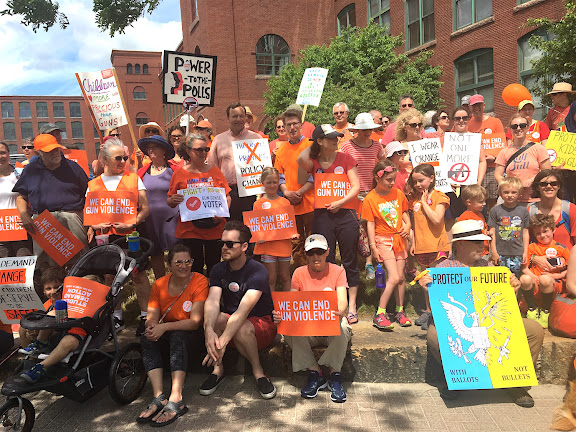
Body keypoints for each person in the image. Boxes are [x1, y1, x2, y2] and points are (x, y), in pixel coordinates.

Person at [420, 219, 544, 407]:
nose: (482, 246)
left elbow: (504, 305)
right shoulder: (441, 269)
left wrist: (513, 289)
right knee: (434, 336)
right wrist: (426, 291)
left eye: (483, 242)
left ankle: (515, 382)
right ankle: (457, 377)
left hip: (487, 324)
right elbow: (433, 310)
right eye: (477, 242)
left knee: (534, 329)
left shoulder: (488, 267)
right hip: (463, 325)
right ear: (460, 244)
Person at [201, 221, 277, 399]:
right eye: (222, 243)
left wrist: (222, 343)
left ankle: (258, 372)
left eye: (229, 244)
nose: (224, 248)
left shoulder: (258, 271)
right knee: (217, 318)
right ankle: (218, 370)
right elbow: (212, 301)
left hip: (261, 325)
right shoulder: (218, 269)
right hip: (234, 324)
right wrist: (208, 331)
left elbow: (243, 310)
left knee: (241, 325)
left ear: (244, 246)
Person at [273, 234, 351, 403]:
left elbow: (343, 300)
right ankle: (315, 371)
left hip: (330, 325)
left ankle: (335, 373)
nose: (316, 256)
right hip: (309, 328)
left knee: (344, 327)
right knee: (286, 328)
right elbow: (292, 303)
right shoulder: (299, 273)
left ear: (328, 252)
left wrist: (340, 310)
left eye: (320, 251)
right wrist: (281, 314)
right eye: (311, 253)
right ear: (306, 254)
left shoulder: (338, 271)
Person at [137, 244, 208, 426]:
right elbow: (151, 316)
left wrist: (164, 327)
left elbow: (194, 322)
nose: (184, 266)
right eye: (178, 262)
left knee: (178, 335)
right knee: (146, 337)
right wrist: (152, 327)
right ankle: (159, 396)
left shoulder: (199, 281)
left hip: (193, 336)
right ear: (169, 265)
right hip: (170, 331)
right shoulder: (160, 284)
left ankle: (176, 397)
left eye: (188, 261)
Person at [297, 125, 361, 324]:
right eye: (331, 137)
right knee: (328, 257)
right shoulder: (314, 161)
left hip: (346, 213)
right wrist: (312, 145)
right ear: (320, 141)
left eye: (337, 137)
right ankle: (333, 303)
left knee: (350, 260)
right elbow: (300, 164)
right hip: (323, 215)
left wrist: (340, 202)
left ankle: (351, 306)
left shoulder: (346, 158)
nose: (336, 140)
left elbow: (356, 186)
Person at [86, 138, 151, 333]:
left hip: (130, 235)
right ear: (104, 160)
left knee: (138, 275)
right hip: (105, 237)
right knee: (110, 277)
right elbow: (88, 215)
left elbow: (145, 208)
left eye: (125, 157)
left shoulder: (133, 178)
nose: (123, 161)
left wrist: (133, 222)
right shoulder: (93, 184)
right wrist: (96, 224)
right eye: (118, 158)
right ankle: (116, 318)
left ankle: (146, 317)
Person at [13, 134, 89, 279]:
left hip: (72, 219)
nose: (55, 153)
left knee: (79, 262)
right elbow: (21, 197)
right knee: (46, 266)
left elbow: (89, 196)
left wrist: (90, 224)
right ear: (39, 153)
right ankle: (51, 297)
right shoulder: (31, 170)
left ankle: (76, 295)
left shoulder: (74, 168)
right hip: (43, 222)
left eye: (56, 149)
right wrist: (24, 215)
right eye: (49, 151)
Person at [19, 275, 104, 383]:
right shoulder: (70, 299)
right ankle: (41, 342)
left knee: (68, 341)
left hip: (80, 334)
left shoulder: (98, 303)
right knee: (51, 313)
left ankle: (41, 367)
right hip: (61, 328)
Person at [168, 133, 231, 276]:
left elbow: (227, 196)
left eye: (206, 149)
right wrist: (174, 200)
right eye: (199, 150)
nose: (203, 153)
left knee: (214, 264)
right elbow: (170, 201)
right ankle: (197, 294)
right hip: (189, 230)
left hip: (214, 228)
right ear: (189, 150)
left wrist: (222, 213)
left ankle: (213, 294)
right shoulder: (179, 174)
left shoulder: (215, 171)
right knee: (194, 266)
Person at [362, 160, 411, 330]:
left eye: (393, 179)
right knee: (394, 277)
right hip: (383, 240)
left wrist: (408, 225)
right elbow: (370, 224)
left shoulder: (398, 194)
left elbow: (404, 213)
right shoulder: (370, 199)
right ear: (377, 177)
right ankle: (380, 313)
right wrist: (373, 246)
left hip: (399, 239)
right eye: (388, 180)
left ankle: (399, 310)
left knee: (401, 278)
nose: (391, 183)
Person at [340, 113, 385, 280]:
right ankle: (350, 261)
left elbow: (383, 165)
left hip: (372, 193)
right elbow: (340, 166)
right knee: (353, 228)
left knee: (369, 227)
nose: (367, 132)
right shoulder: (346, 147)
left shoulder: (377, 147)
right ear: (356, 130)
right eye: (363, 129)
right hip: (353, 193)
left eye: (370, 129)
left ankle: (368, 263)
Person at [407, 163, 450, 330]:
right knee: (425, 282)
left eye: (421, 180)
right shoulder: (414, 200)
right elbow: (415, 224)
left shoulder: (440, 197)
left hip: (437, 246)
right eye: (415, 181)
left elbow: (437, 219)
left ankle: (439, 313)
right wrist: (413, 242)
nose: (418, 185)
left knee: (436, 281)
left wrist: (425, 203)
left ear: (431, 178)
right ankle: (429, 311)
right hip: (421, 246)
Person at [274, 109, 314, 267]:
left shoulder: (311, 146)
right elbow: (279, 175)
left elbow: (316, 173)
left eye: (294, 124)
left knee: (313, 239)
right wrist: (285, 192)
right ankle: (300, 273)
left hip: (310, 201)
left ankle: (315, 270)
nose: (291, 128)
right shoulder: (281, 150)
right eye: (288, 124)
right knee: (296, 241)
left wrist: (300, 192)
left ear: (301, 125)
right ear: (284, 126)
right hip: (290, 202)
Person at [137, 135, 180, 281]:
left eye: (154, 147)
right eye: (149, 148)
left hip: (172, 220)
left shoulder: (175, 170)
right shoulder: (141, 173)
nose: (151, 150)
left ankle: (179, 282)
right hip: (150, 221)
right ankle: (161, 284)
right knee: (155, 253)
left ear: (164, 151)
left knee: (176, 253)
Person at [208, 103, 261, 221]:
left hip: (251, 193)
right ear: (228, 118)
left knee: (250, 231)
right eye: (234, 116)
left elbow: (264, 169)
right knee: (230, 230)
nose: (239, 119)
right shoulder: (218, 140)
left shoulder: (256, 139)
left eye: (241, 116)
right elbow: (212, 169)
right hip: (228, 193)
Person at [520, 214, 570, 329]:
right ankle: (532, 308)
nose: (542, 235)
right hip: (536, 282)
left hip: (554, 284)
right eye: (538, 233)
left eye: (545, 231)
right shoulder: (532, 248)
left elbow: (570, 270)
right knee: (524, 278)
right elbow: (524, 268)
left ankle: (546, 311)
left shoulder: (561, 248)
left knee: (546, 280)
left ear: (553, 230)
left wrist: (557, 275)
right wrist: (535, 278)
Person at [253, 168, 294, 292]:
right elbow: (255, 225)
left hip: (283, 245)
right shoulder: (258, 204)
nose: (272, 185)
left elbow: (290, 225)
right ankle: (271, 305)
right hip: (268, 246)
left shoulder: (285, 202)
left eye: (275, 182)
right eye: (269, 182)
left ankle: (288, 304)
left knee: (285, 276)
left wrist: (293, 233)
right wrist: (257, 236)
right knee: (271, 278)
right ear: (262, 183)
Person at [495, 114, 551, 205]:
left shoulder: (538, 148)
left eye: (522, 126)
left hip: (533, 200)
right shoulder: (504, 152)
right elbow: (497, 174)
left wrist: (532, 181)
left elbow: (547, 171)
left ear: (528, 127)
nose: (518, 128)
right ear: (510, 129)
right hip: (510, 200)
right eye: (514, 126)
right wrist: (509, 185)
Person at [466, 95, 505, 210]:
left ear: (484, 105)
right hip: (473, 168)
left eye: (479, 105)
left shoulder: (495, 122)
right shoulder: (467, 124)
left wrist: (494, 157)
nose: (476, 108)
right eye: (473, 106)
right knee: (473, 199)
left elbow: (502, 147)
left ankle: (491, 224)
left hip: (491, 167)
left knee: (491, 198)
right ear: (469, 107)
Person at [488, 176, 530, 278]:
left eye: (513, 192)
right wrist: (493, 252)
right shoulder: (495, 211)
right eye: (506, 192)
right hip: (500, 252)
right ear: (500, 194)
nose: (510, 195)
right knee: (500, 279)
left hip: (517, 252)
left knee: (516, 279)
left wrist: (525, 252)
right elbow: (491, 232)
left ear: (519, 193)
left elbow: (525, 233)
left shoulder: (523, 211)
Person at [18, 266, 66, 348]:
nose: (53, 291)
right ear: (44, 291)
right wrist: (32, 330)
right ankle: (29, 353)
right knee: (22, 328)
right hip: (45, 330)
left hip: (61, 331)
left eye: (56, 287)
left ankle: (39, 343)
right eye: (48, 288)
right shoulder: (47, 304)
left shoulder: (67, 301)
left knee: (51, 315)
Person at [528, 169, 576, 249]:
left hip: (567, 259)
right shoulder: (530, 211)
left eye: (553, 183)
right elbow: (524, 244)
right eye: (543, 184)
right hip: (538, 259)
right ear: (537, 187)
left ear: (559, 186)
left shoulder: (571, 209)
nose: (549, 186)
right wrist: (534, 258)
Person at [0, 141, 31, 258]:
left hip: (20, 227)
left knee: (24, 263)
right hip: (1, 230)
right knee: (3, 268)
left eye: (2, 153)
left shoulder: (20, 174)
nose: (0, 157)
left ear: (8, 154)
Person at [456, 184, 489, 256]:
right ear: (469, 202)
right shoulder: (464, 217)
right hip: (470, 253)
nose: (484, 204)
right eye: (481, 202)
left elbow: (484, 229)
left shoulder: (480, 215)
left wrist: (487, 232)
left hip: (483, 251)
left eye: (484, 201)